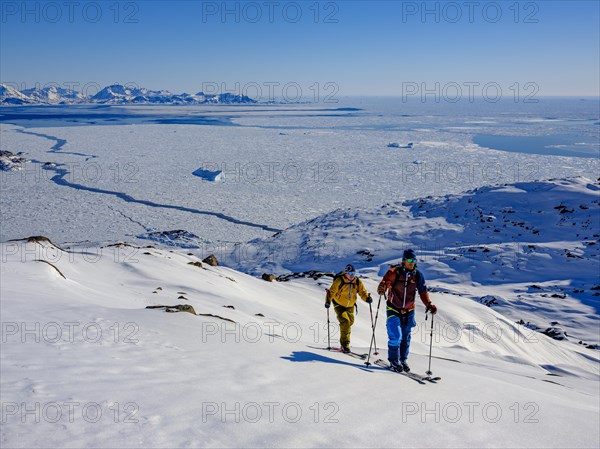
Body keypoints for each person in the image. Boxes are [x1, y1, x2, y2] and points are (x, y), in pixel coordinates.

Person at [377, 249, 437, 372]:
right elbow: (385, 283)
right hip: (393, 308)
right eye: (409, 260)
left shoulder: (418, 275)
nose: (412, 262)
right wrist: (383, 288)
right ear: (404, 261)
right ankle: (394, 360)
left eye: (414, 260)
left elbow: (423, 292)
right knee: (396, 336)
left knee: (406, 337)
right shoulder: (394, 272)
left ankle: (402, 360)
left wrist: (429, 305)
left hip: (409, 311)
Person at [325, 264, 372, 353]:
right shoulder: (339, 280)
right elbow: (331, 291)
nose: (351, 275)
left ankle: (344, 338)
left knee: (350, 322)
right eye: (350, 273)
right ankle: (345, 345)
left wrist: (367, 298)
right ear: (345, 273)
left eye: (353, 273)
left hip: (350, 306)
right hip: (339, 305)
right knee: (345, 322)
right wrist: (328, 301)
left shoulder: (357, 281)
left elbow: (362, 292)